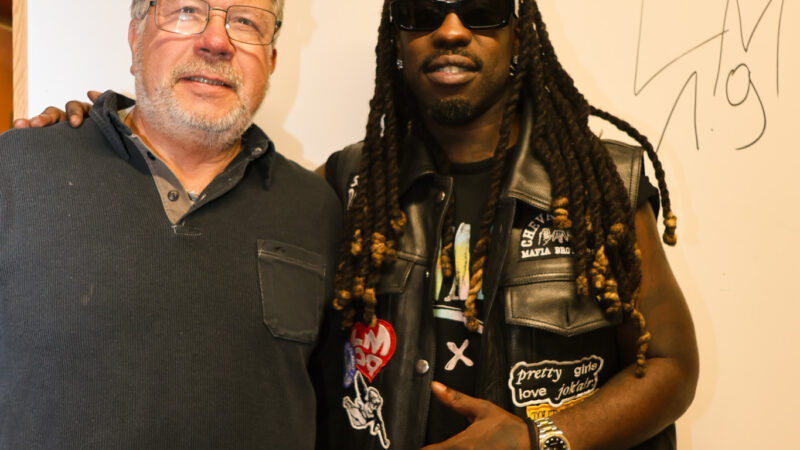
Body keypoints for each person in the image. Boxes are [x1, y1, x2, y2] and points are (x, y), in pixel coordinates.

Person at [25, 0, 699, 448]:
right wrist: (89, 138)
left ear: (519, 35)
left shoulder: (603, 184)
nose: (452, 30)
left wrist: (537, 441)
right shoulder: (343, 188)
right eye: (422, 12)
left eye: (482, 10)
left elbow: (671, 366)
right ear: (397, 41)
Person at [0, 0, 341, 448]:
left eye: (245, 22)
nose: (216, 41)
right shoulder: (16, 170)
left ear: (272, 60)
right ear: (135, 38)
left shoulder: (317, 209)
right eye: (187, 11)